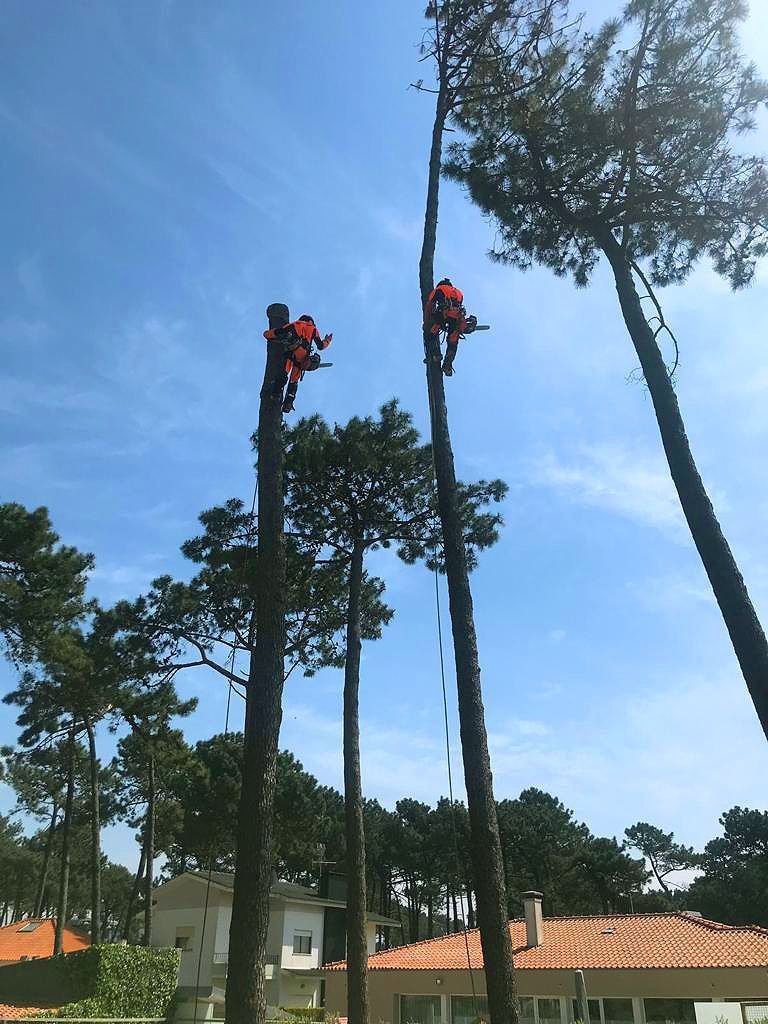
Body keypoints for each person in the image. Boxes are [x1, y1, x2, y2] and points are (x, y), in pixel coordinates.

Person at [263, 314, 332, 413]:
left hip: (291, 352)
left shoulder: (295, 324)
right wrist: (328, 341)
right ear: (311, 322)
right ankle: (288, 403)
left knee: (284, 373)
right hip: (302, 358)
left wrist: (266, 334)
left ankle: (275, 393)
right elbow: (321, 346)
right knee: (294, 381)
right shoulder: (313, 329)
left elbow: (279, 332)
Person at [423, 278, 477, 376]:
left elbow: (429, 306)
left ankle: (436, 354)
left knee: (431, 334)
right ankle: (447, 365)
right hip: (456, 318)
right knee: (453, 342)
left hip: (443, 314)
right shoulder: (459, 293)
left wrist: (426, 322)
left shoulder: (439, 289)